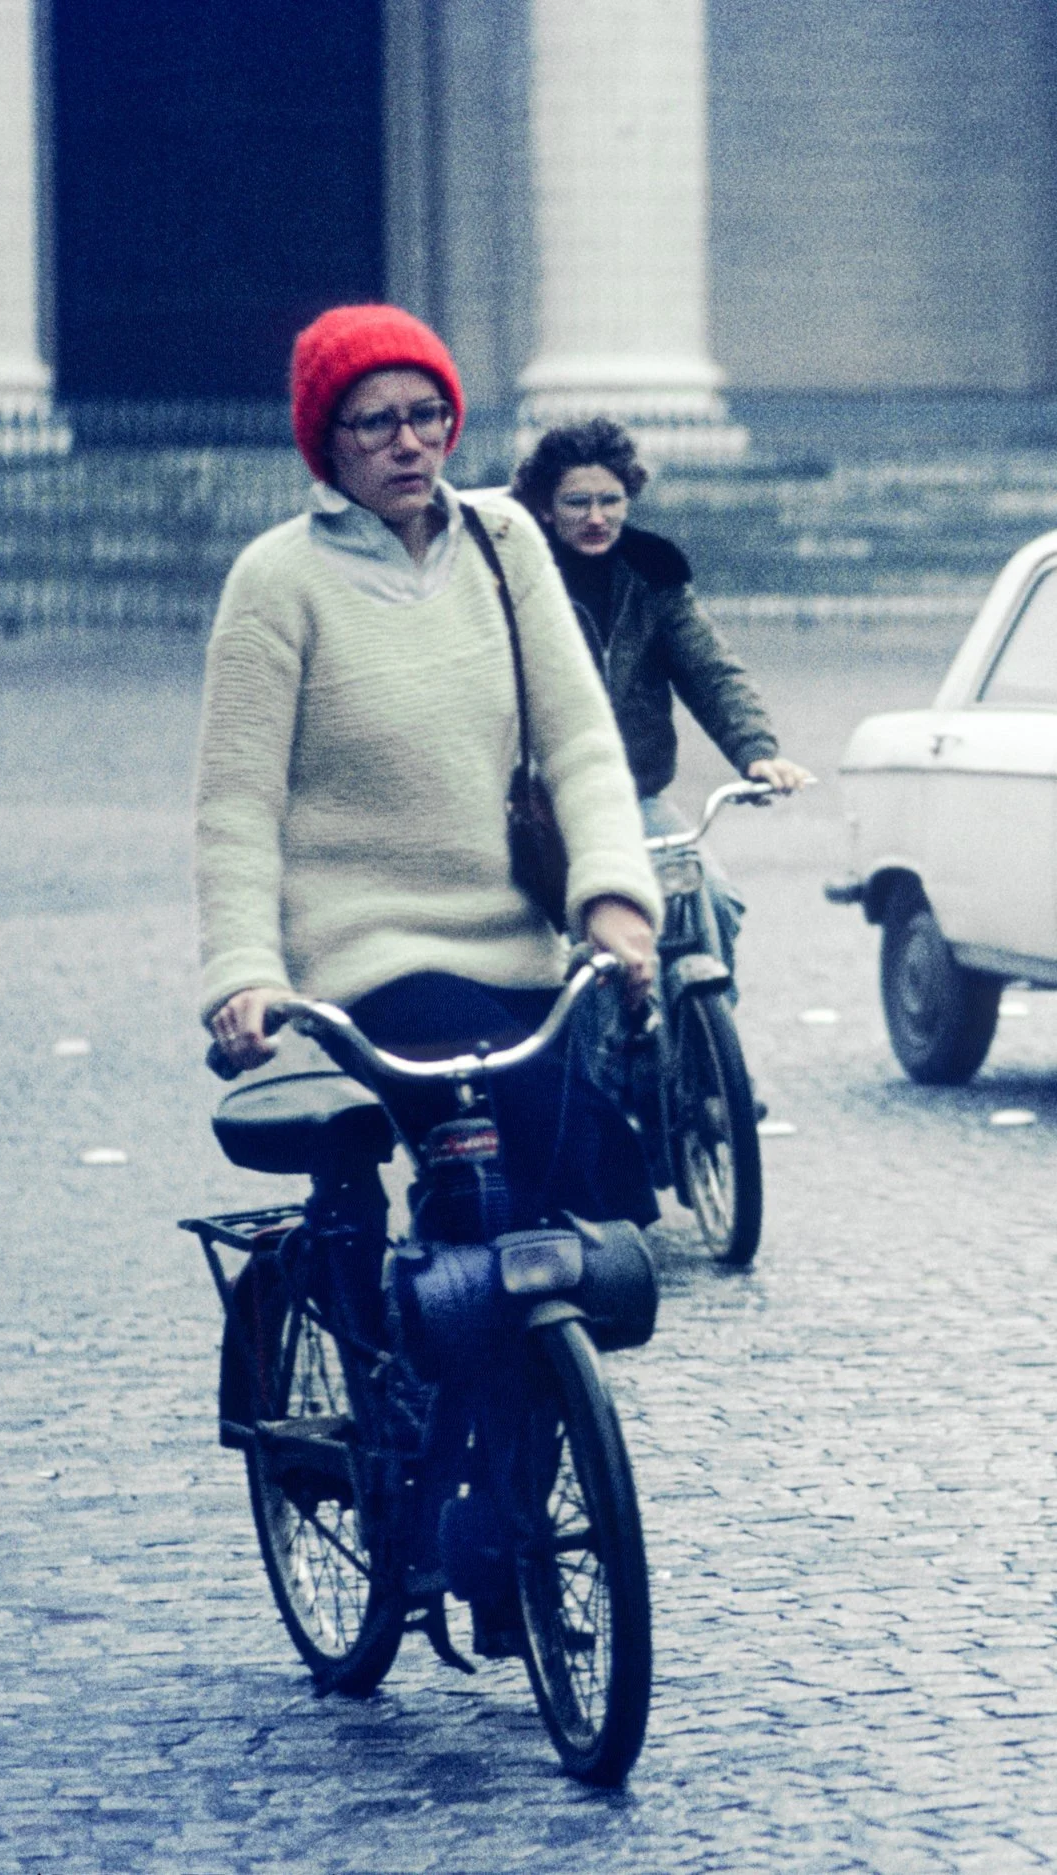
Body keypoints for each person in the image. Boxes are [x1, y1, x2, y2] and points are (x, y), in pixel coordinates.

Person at [197, 302, 664, 1268]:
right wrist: (245, 971)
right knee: (503, 1140)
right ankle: (431, 1372)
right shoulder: (275, 581)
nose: (411, 444)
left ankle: (510, 1392)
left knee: (593, 1170)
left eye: (429, 415)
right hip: (368, 951)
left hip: (519, 943)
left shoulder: (507, 543)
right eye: (377, 422)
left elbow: (579, 739)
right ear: (327, 440)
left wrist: (614, 899)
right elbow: (239, 806)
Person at [509, 418, 812, 983]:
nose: (597, 517)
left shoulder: (652, 571)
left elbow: (710, 670)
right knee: (564, 943)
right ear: (546, 508)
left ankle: (704, 1050)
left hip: (634, 794)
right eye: (577, 502)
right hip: (536, 806)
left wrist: (756, 750)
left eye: (611, 500)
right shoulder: (515, 578)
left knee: (713, 904)